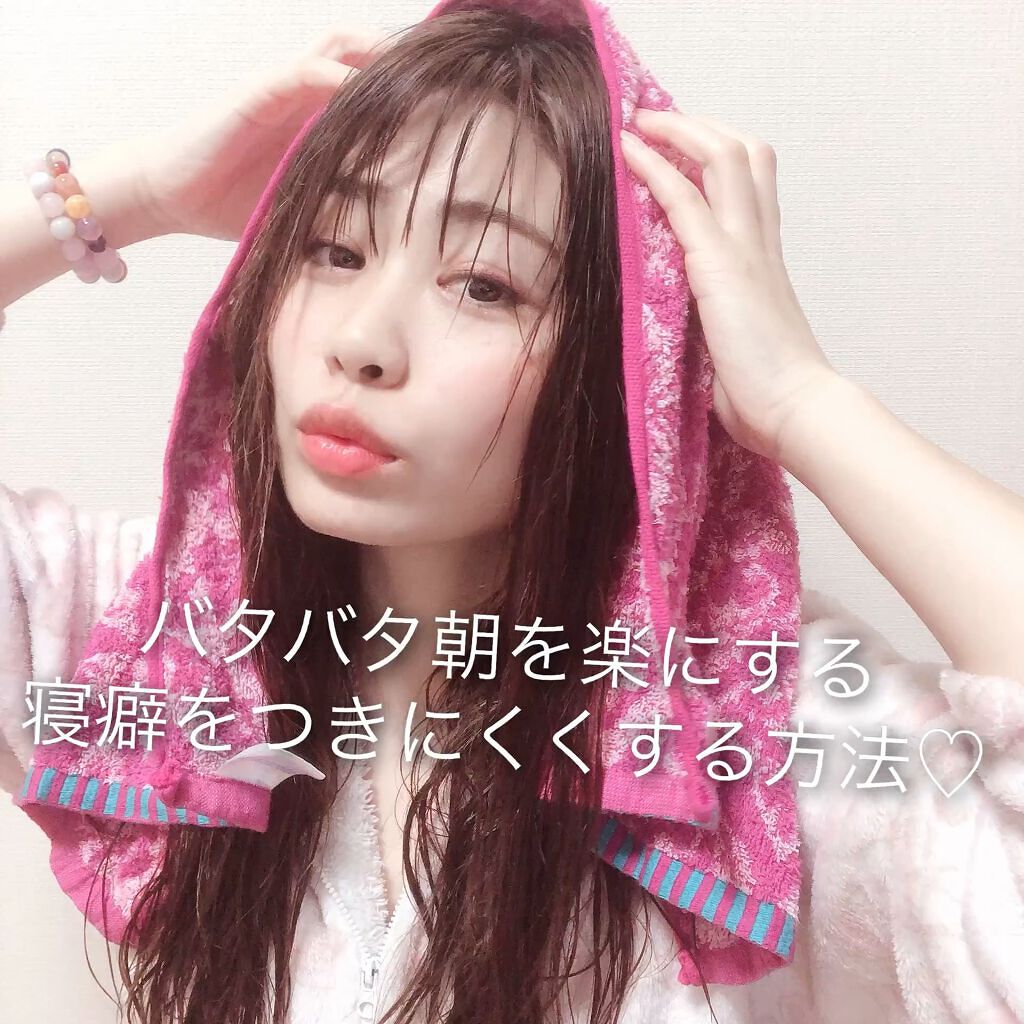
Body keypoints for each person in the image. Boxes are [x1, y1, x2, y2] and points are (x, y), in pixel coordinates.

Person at [1, 3, 1022, 1023]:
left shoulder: (746, 727)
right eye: (333, 249)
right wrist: (132, 194)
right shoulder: (157, 641)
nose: (362, 342)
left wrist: (803, 401)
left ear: (623, 360)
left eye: (484, 286)